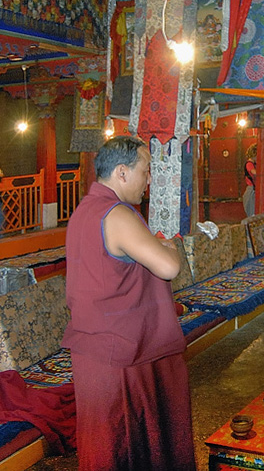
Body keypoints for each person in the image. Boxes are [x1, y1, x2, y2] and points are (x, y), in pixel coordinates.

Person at [62, 136, 194, 471]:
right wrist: (171, 247)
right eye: (145, 171)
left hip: (94, 346)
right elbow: (169, 267)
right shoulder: (117, 213)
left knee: (106, 447)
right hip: (121, 352)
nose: (148, 180)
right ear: (122, 172)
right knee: (127, 446)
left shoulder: (83, 211)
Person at [243, 144, 257, 217]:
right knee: (251, 211)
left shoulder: (252, 163)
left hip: (253, 189)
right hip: (251, 189)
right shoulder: (249, 164)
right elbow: (253, 172)